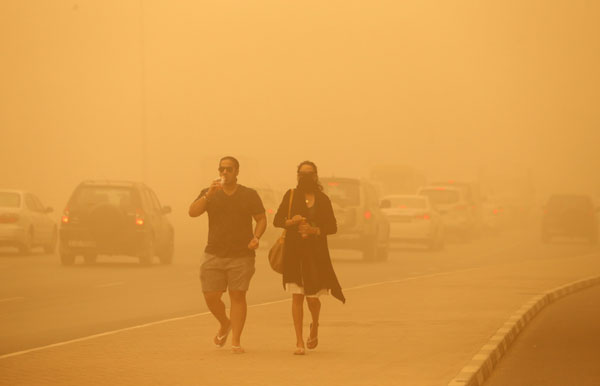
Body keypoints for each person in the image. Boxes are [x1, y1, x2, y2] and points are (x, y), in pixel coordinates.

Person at [189, 156, 267, 354]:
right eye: (222, 169)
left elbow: (261, 219)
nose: (224, 173)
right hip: (214, 252)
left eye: (229, 169)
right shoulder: (209, 193)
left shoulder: (249, 194)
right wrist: (208, 195)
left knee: (238, 295)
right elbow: (192, 212)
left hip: (242, 254)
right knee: (211, 295)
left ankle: (236, 341)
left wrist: (256, 237)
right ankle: (225, 323)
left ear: (237, 172)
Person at [273, 160, 345, 355]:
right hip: (294, 255)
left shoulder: (323, 199)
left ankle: (314, 326)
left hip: (316, 255)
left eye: (309, 173)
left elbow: (332, 227)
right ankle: (298, 341)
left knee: (312, 299)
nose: (305, 177)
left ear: (315, 176)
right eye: (301, 173)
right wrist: (291, 222)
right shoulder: (291, 196)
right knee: (297, 297)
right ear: (297, 176)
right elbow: (277, 220)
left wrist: (314, 230)